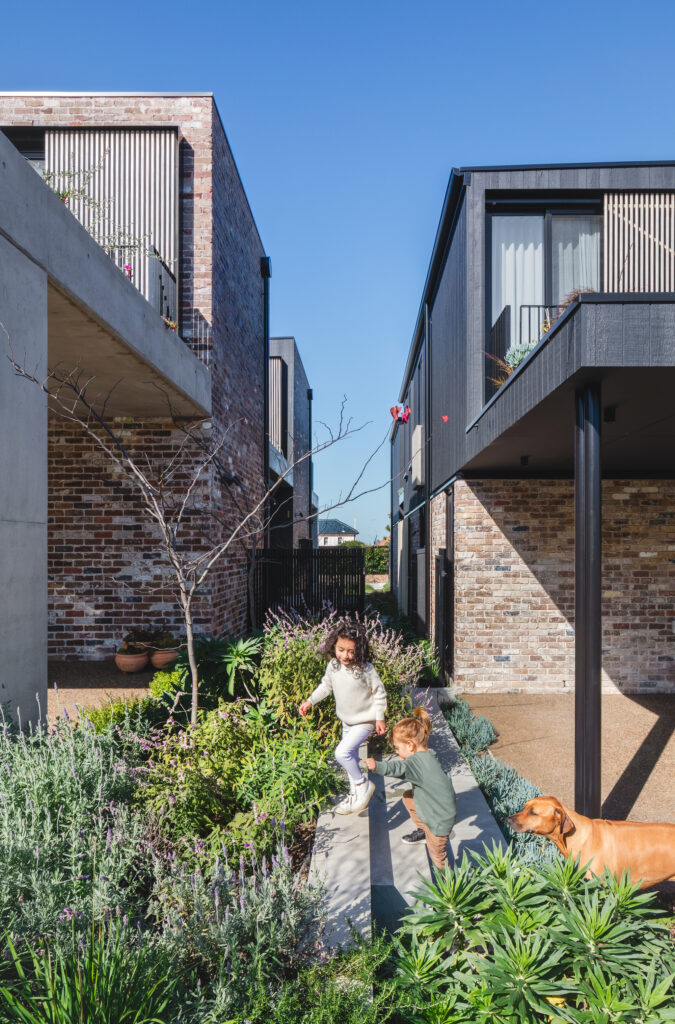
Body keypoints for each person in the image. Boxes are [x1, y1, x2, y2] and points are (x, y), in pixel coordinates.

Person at [299, 617, 386, 814]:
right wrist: (310, 701)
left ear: (359, 650)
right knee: (350, 759)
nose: (345, 655)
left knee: (342, 753)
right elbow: (325, 686)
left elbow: (379, 693)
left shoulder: (366, 669)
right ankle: (355, 796)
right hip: (346, 721)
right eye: (341, 649)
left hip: (365, 721)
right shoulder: (334, 665)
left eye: (351, 651)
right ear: (333, 646)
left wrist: (379, 717)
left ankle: (362, 784)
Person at [364, 707, 456, 870]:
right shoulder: (428, 755)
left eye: (398, 748)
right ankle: (423, 830)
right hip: (440, 811)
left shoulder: (416, 763)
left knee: (438, 856)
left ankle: (450, 883)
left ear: (410, 745)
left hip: (439, 823)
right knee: (408, 797)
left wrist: (377, 766)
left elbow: (398, 768)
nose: (397, 752)